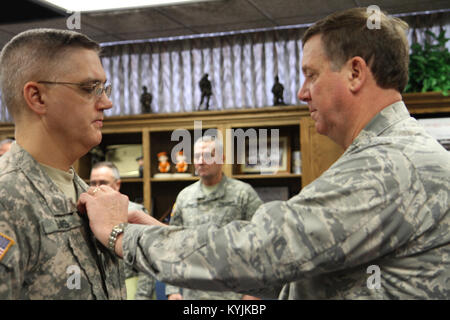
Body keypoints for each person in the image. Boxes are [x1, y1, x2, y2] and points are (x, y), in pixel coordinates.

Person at [79, 8, 450, 299]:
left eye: (312, 75)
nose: (303, 93)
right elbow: (296, 273)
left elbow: (259, 252)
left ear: (355, 72)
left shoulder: (388, 165)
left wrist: (118, 234)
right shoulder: (395, 153)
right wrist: (153, 228)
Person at [0, 28, 126, 299]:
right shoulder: (6, 200)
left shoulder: (89, 196)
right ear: (37, 97)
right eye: (90, 88)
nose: (107, 102)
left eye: (104, 88)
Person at [165, 136, 263, 300]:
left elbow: (260, 244)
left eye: (208, 155)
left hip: (234, 293)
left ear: (222, 159)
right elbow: (173, 244)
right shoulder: (185, 197)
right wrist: (172, 289)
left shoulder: (243, 194)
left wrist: (254, 291)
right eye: (197, 156)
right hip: (194, 292)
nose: (201, 161)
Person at [89, 161, 155, 299]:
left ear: (117, 184)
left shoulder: (134, 212)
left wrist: (142, 296)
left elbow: (148, 261)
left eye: (103, 183)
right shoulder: (87, 213)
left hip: (130, 286)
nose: (96, 188)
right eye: (92, 183)